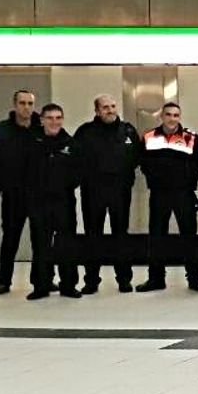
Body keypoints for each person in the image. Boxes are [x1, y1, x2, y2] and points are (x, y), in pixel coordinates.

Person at [135, 102, 198, 293]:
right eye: (168, 114)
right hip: (159, 193)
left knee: (189, 236)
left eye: (176, 115)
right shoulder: (149, 137)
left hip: (184, 193)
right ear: (162, 116)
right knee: (156, 237)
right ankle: (156, 279)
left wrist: (186, 181)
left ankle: (194, 278)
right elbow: (142, 161)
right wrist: (156, 179)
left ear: (179, 117)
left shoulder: (191, 138)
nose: (172, 118)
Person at [71, 94, 141, 294]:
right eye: (105, 107)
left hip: (120, 191)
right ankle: (91, 281)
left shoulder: (128, 131)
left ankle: (124, 279)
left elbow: (136, 157)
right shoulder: (85, 132)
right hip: (93, 192)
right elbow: (75, 160)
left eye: (112, 106)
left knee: (121, 235)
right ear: (97, 111)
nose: (110, 110)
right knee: (93, 236)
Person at [23, 104, 81, 300]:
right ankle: (41, 285)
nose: (54, 122)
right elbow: (24, 171)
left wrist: (63, 185)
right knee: (40, 244)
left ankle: (68, 285)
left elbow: (79, 171)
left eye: (58, 118)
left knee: (67, 244)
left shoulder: (70, 143)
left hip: (64, 202)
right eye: (49, 118)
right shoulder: (32, 142)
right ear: (42, 120)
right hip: (38, 202)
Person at [0, 89, 39, 296]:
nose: (26, 107)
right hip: (13, 195)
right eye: (22, 103)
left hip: (38, 194)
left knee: (40, 239)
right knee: (10, 237)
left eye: (30, 103)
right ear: (15, 105)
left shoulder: (41, 128)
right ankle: (3, 280)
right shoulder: (0, 130)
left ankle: (42, 279)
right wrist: (0, 186)